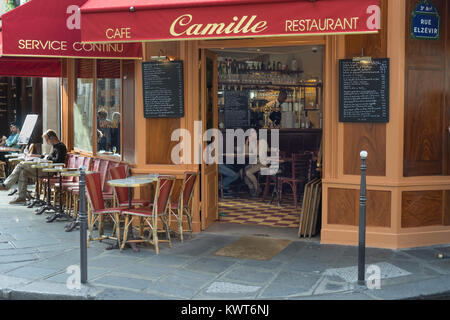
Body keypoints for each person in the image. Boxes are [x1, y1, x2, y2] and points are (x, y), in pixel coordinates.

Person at [0, 129, 67, 204]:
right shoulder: (55, 146)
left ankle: (6, 185)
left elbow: (58, 161)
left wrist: (47, 158)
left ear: (51, 138)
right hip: (47, 168)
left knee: (21, 164)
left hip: (50, 170)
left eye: (46, 140)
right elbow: (49, 157)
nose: (46, 142)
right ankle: (21, 197)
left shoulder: (60, 146)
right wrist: (38, 156)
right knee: (23, 172)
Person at [244, 130, 269, 197]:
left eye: (253, 133)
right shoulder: (252, 143)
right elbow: (246, 153)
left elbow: (261, 154)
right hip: (256, 163)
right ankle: (251, 187)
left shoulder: (263, 142)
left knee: (248, 172)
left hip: (263, 163)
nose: (251, 135)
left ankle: (257, 189)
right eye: (250, 134)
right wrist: (246, 143)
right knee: (243, 171)